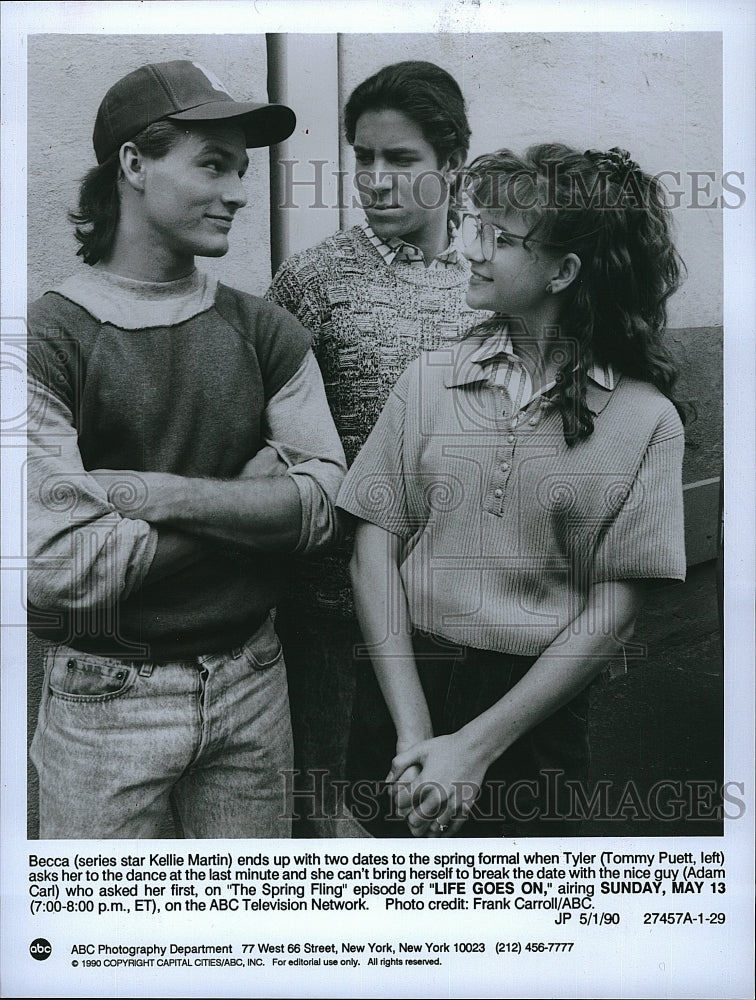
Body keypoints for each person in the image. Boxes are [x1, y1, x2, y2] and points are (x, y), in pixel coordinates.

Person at [26, 60, 346, 839]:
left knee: (245, 947)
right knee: (104, 948)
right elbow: (61, 569)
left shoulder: (265, 329)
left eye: (240, 169)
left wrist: (158, 495)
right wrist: (245, 497)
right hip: (103, 700)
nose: (238, 191)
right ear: (134, 164)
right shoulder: (47, 339)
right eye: (212, 164)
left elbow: (323, 508)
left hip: (253, 683)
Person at [337, 143, 687, 837]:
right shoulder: (430, 378)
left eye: (499, 237)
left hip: (532, 726)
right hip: (401, 684)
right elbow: (371, 545)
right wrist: (413, 736)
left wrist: (472, 750)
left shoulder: (646, 420)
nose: (471, 249)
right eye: (475, 226)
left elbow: (612, 613)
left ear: (563, 271)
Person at [264, 61, 481, 834]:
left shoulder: (490, 283)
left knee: (435, 823)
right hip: (325, 617)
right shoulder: (314, 281)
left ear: (452, 166)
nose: (377, 181)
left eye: (402, 160)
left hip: (456, 614)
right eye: (365, 158)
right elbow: (262, 434)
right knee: (325, 823)